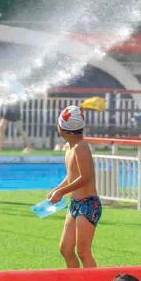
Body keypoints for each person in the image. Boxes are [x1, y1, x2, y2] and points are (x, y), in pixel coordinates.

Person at [49, 105, 100, 268]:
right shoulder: (69, 147)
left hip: (88, 204)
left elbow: (85, 177)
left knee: (83, 252)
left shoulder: (81, 148)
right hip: (76, 204)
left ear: (63, 129)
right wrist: (58, 189)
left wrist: (62, 192)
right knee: (65, 249)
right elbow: (72, 175)